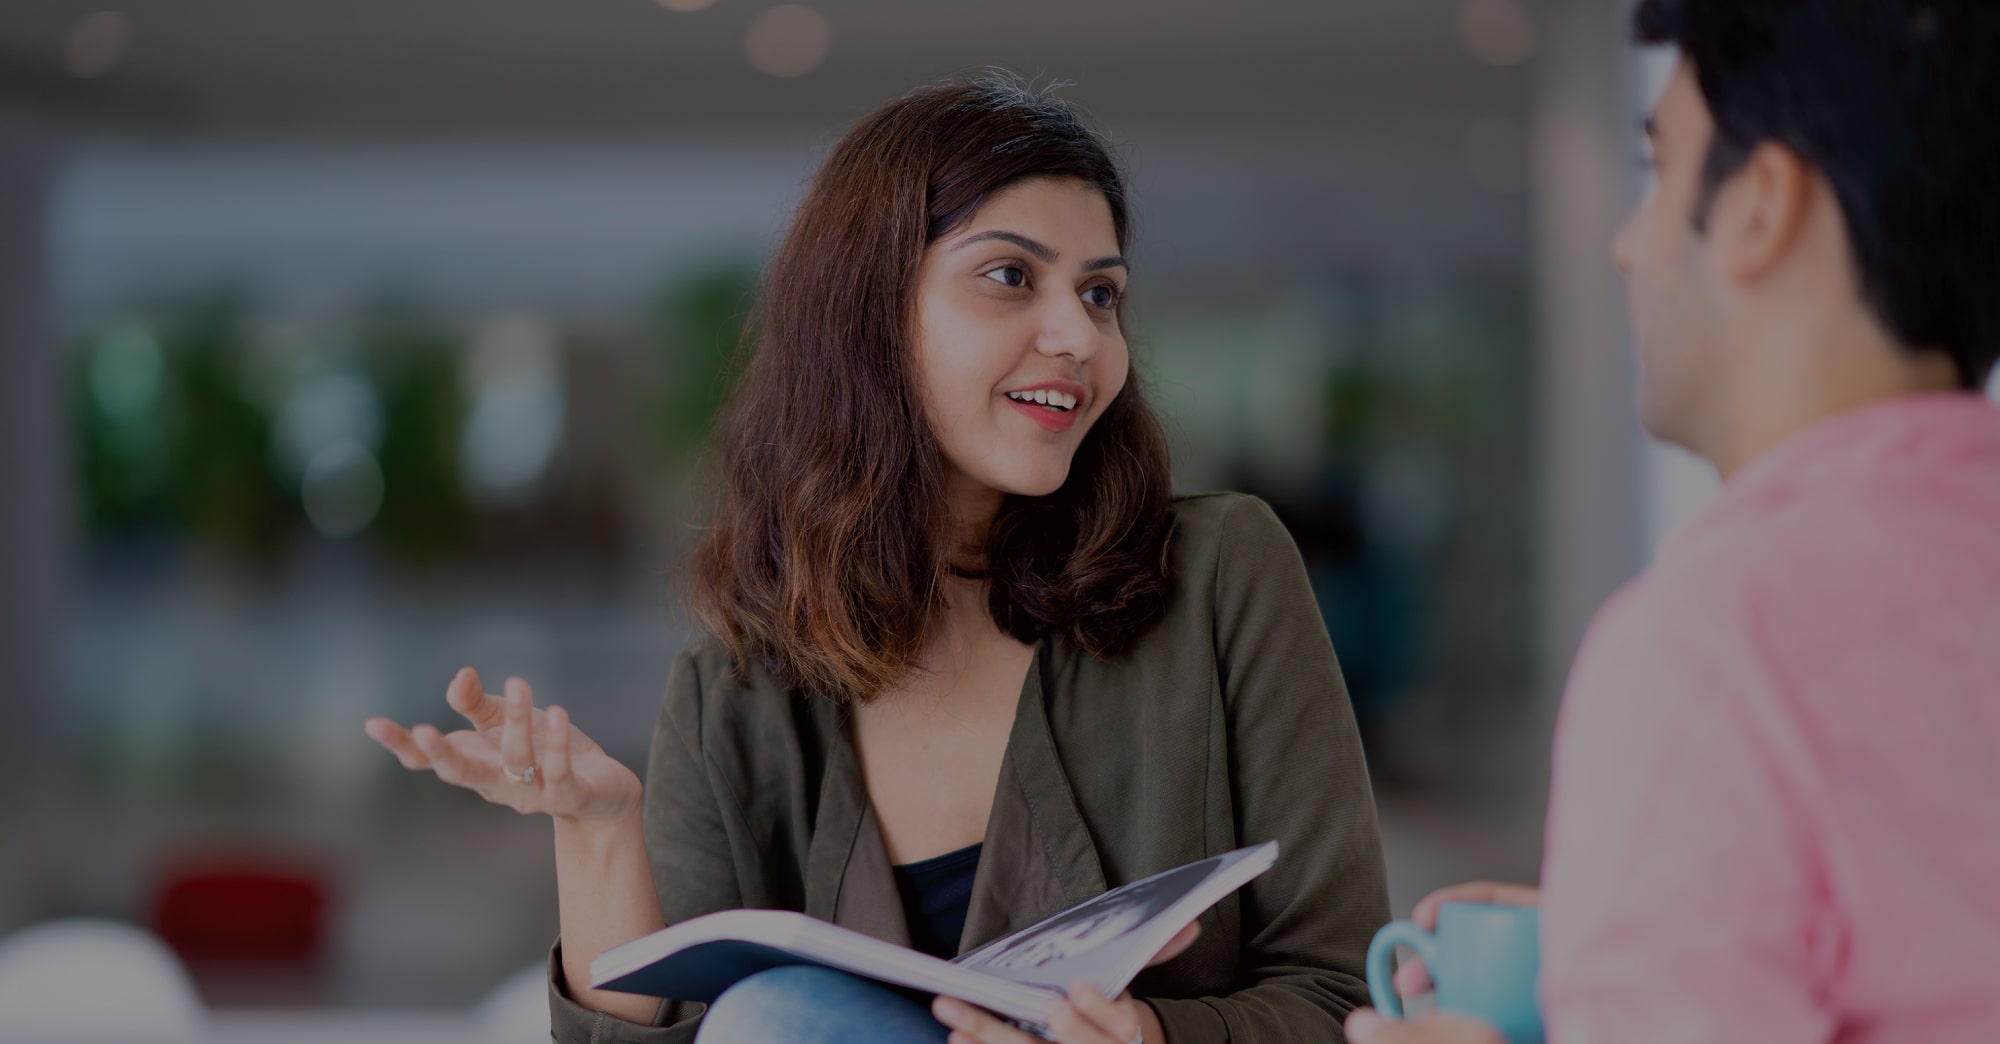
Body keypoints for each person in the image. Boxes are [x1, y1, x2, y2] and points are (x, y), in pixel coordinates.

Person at [366, 75, 1392, 1044]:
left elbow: (1339, 996)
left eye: (1099, 294)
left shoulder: (1220, 575)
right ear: (870, 315)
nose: (1075, 337)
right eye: (1009, 277)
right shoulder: (736, 695)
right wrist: (596, 831)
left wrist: (1151, 1033)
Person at [1346, 2, 2000, 1042]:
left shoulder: (1712, 647)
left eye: (1654, 175)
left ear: (1759, 209)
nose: (1622, 245)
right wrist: (1652, 923)